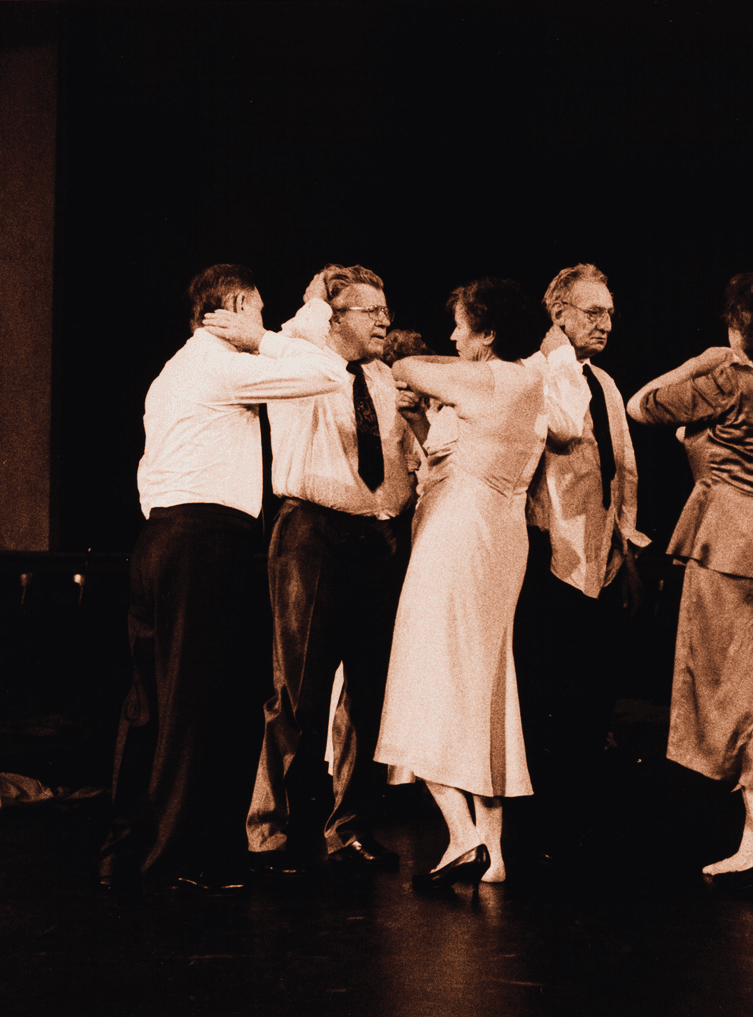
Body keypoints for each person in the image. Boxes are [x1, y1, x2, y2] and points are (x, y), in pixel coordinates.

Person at [101, 264, 347, 894]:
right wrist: (262, 334)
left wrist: (309, 308)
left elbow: (290, 345)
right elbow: (322, 372)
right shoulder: (221, 365)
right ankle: (180, 858)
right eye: (255, 312)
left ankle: (128, 852)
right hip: (205, 544)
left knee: (150, 707)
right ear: (235, 308)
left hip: (159, 538)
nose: (262, 326)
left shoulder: (181, 368)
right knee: (201, 705)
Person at [627, 269, 753, 888]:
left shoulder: (735, 381)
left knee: (721, 688)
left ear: (745, 326)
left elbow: (641, 405)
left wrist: (701, 359)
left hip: (734, 549)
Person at [227, 264, 418, 878]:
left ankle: (351, 828)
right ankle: (269, 827)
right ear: (334, 317)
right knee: (298, 690)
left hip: (378, 539)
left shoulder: (387, 380)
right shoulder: (301, 360)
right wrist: (316, 297)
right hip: (311, 533)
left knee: (368, 694)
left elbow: (406, 457)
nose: (385, 319)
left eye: (386, 308)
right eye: (370, 310)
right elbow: (297, 327)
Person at [374, 277, 551, 888]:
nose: (453, 334)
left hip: (460, 534)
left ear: (489, 334)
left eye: (462, 326)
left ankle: (462, 833)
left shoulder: (495, 378)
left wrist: (412, 362)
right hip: (495, 536)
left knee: (428, 673)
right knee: (485, 684)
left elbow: (408, 362)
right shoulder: (523, 383)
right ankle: (493, 852)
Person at [512, 263, 649, 864]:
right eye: (592, 312)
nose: (605, 323)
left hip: (603, 556)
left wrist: (626, 547)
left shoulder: (610, 384)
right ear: (559, 315)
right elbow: (553, 445)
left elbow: (626, 471)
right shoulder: (536, 374)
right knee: (549, 693)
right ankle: (541, 828)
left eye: (611, 313)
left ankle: (579, 822)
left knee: (593, 696)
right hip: (551, 554)